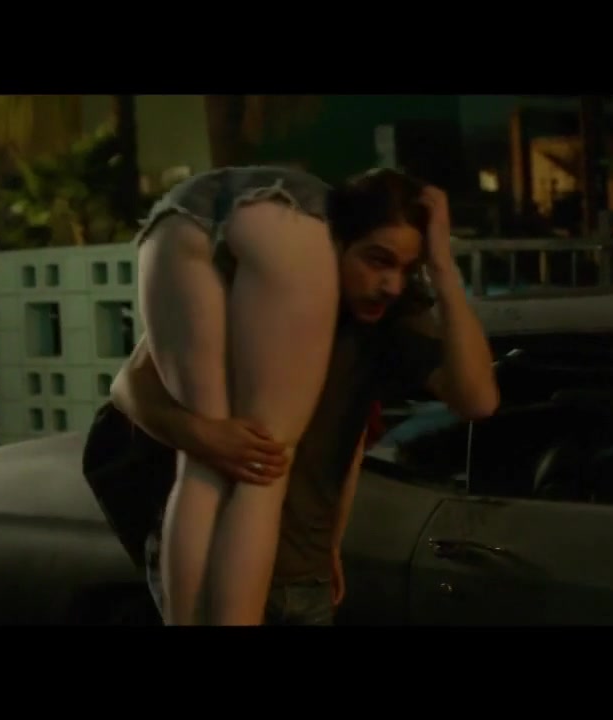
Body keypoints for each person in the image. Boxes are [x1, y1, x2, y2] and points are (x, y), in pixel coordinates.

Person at [108, 166, 499, 626]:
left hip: (301, 576)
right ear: (336, 242)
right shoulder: (264, 279)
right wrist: (202, 435)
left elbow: (477, 400)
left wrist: (444, 272)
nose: (391, 284)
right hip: (210, 561)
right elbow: (127, 386)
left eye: (406, 269)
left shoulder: (391, 321)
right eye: (377, 260)